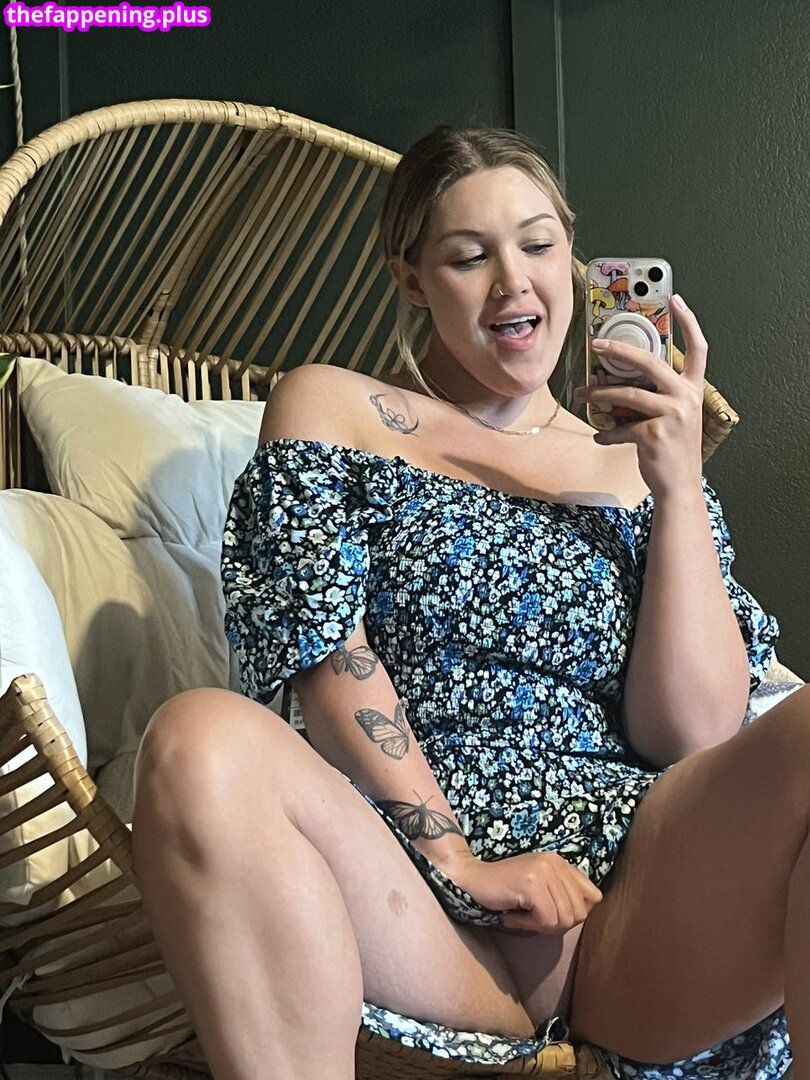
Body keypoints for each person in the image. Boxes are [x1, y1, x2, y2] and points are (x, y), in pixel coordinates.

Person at [131, 126, 807, 1080]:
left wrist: (678, 487)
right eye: (467, 257)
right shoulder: (333, 409)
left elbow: (690, 734)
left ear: (573, 258)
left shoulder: (637, 464)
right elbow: (327, 658)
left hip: (632, 911)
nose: (512, 283)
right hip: (415, 894)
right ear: (411, 279)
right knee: (196, 736)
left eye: (537, 245)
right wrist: (458, 865)